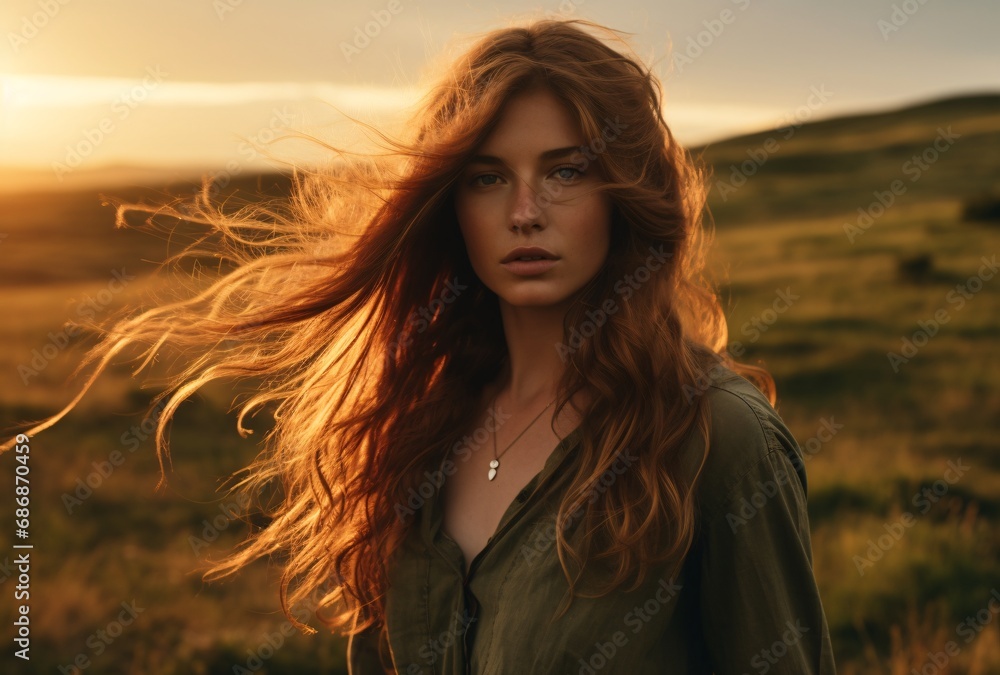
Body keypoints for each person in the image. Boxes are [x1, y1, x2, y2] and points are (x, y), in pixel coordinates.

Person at [2, 17, 837, 674]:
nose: (523, 210)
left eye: (565, 171)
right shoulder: (419, 428)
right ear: (449, 206)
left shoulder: (716, 441)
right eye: (485, 177)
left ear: (627, 193)